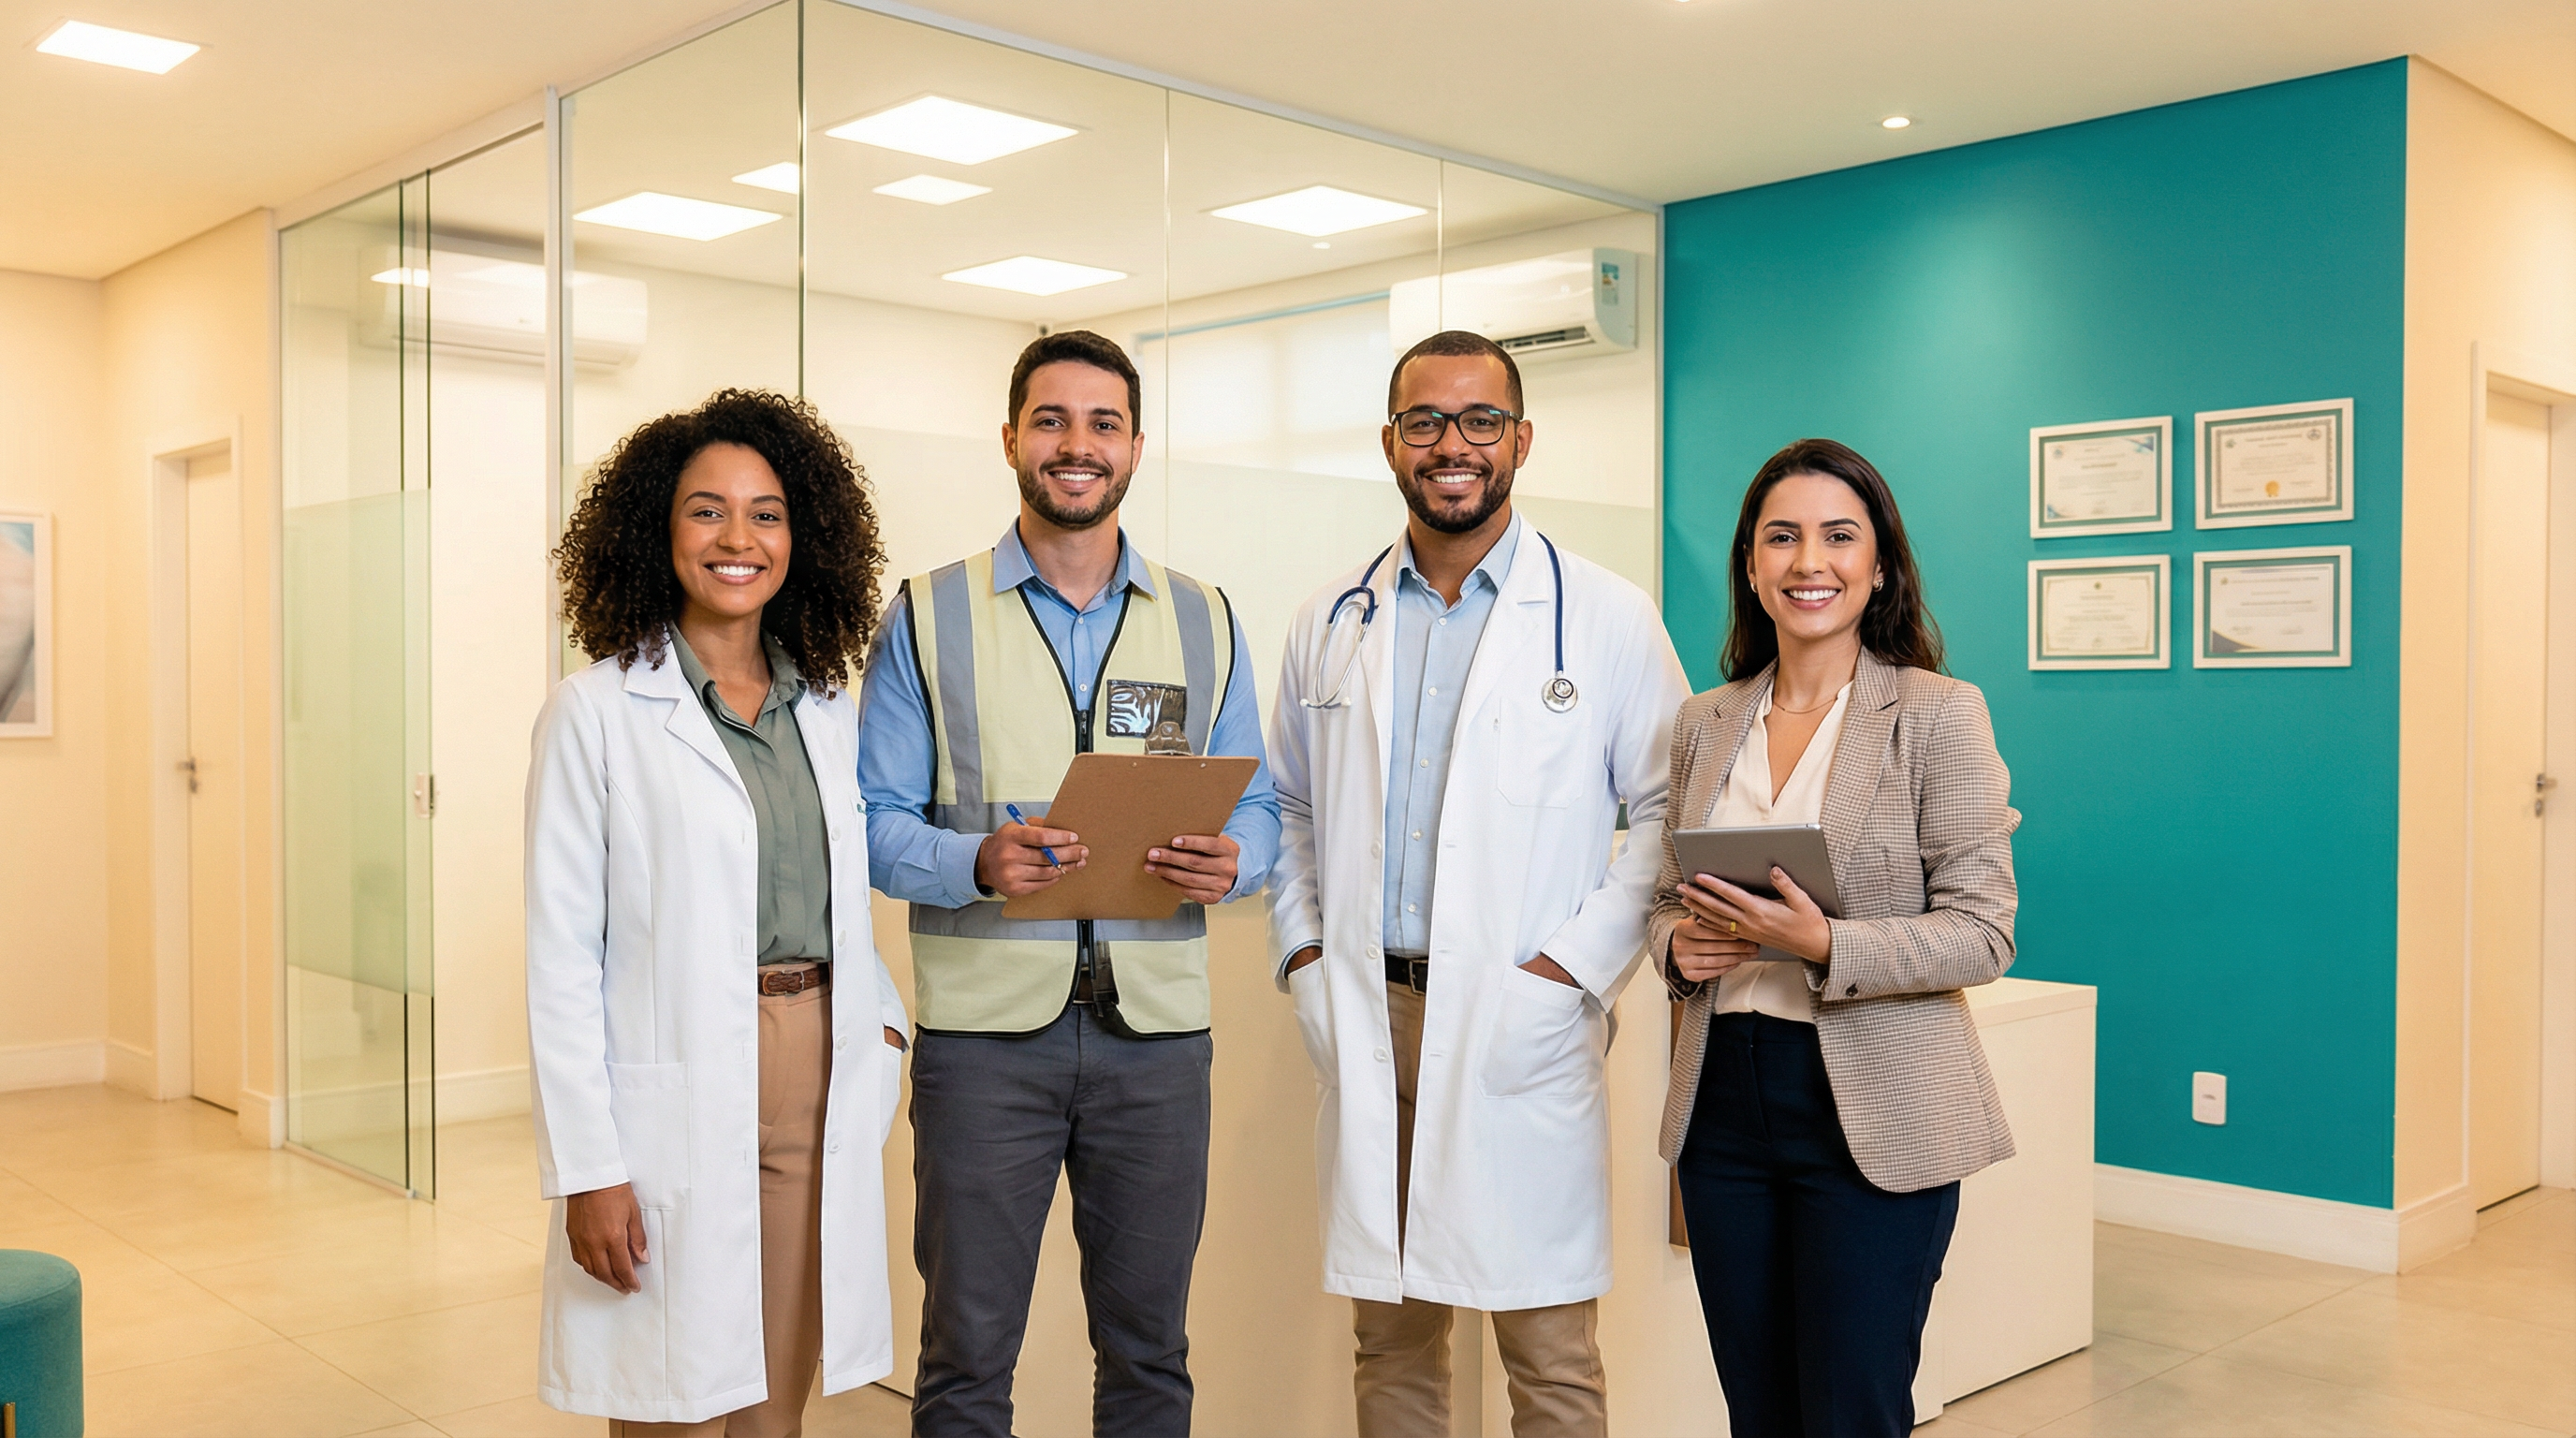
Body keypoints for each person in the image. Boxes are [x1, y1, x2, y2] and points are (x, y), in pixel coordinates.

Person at [856, 330, 1281, 1437]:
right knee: (965, 1357)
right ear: (1010, 439)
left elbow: (1261, 807)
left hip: (1157, 1048)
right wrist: (973, 862)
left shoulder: (1205, 616)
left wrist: (1240, 859)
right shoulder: (928, 614)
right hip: (984, 1048)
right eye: (1050, 420)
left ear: (1136, 445)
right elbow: (871, 822)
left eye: (1103, 423)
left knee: (1150, 1355)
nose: (1076, 445)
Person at [1267, 330, 1689, 1438]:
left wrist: (1568, 973)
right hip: (1371, 1007)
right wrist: (1304, 955)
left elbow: (1667, 815)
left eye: (1479, 421)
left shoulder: (1605, 615)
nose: (1451, 444)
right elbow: (1291, 808)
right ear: (1390, 443)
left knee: (1549, 1351)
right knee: (1391, 1340)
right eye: (1425, 421)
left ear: (1520, 440)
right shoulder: (1331, 618)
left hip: (1520, 1017)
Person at [524, 389, 910, 1436]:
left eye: (766, 514)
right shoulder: (596, 712)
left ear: (802, 537)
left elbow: (843, 902)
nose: (739, 538)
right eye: (707, 511)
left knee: (773, 1403)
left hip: (814, 1064)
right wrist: (590, 1172)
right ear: (657, 531)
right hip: (676, 1074)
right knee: (672, 1402)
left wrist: (882, 1027)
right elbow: (560, 959)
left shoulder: (826, 708)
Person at [1649, 437, 2019, 1437]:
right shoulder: (1703, 722)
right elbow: (1664, 898)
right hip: (1724, 1103)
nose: (1808, 561)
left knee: (1851, 1411)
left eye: (1838, 536)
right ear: (1750, 566)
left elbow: (1983, 931)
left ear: (1880, 565)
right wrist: (1676, 949)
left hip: (1873, 1104)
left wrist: (1825, 945)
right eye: (1781, 538)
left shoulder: (1939, 715)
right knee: (1758, 1410)